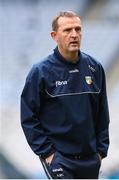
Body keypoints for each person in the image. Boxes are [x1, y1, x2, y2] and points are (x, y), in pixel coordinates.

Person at [21, 11, 110, 179]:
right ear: (54, 36)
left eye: (78, 29)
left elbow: (102, 113)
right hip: (59, 159)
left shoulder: (95, 68)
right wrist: (48, 153)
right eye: (67, 30)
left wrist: (100, 151)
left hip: (90, 158)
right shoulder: (40, 72)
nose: (74, 35)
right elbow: (28, 117)